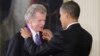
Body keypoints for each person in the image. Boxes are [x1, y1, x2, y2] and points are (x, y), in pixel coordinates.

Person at [21, 1, 92, 56]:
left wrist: (27, 37)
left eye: (61, 15)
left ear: (67, 15)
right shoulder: (88, 36)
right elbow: (65, 51)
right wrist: (52, 40)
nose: (60, 18)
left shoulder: (62, 36)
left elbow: (35, 52)